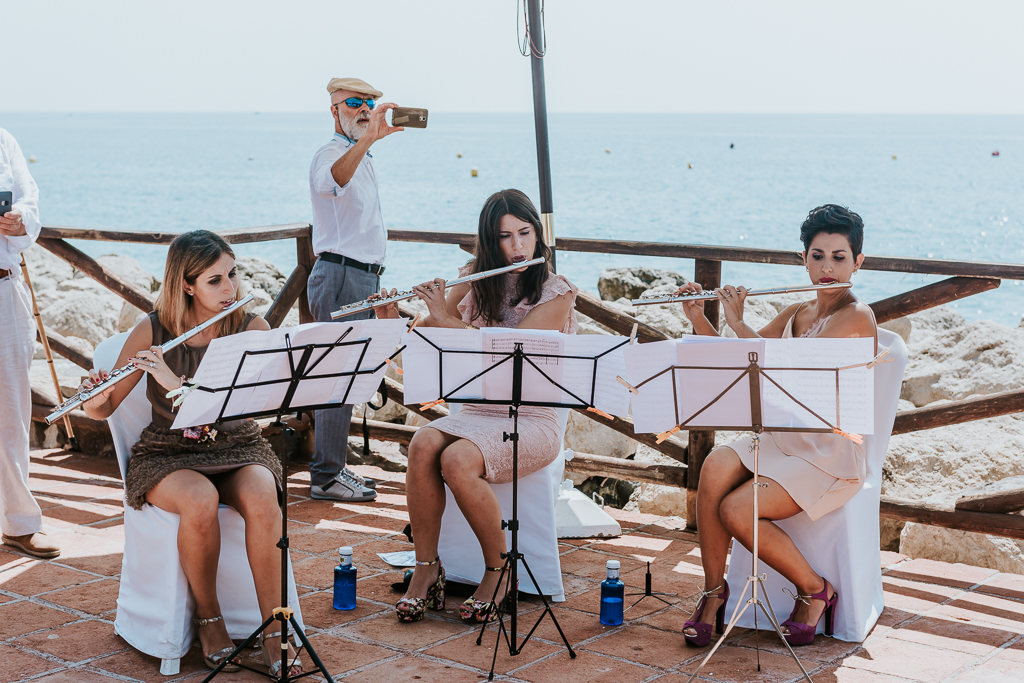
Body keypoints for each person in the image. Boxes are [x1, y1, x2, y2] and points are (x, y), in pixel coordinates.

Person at [80, 231, 300, 676]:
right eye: (215, 280)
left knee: (263, 496)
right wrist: (90, 393)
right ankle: (209, 621)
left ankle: (275, 632)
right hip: (168, 454)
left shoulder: (251, 328)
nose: (230, 289)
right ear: (187, 284)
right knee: (199, 500)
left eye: (232, 275)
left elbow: (268, 401)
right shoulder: (153, 329)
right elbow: (105, 406)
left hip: (238, 445)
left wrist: (176, 384)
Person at [374, 189, 578, 623]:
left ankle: (498, 568)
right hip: (478, 412)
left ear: (539, 235)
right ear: (490, 241)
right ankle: (427, 568)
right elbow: (426, 341)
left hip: (533, 416)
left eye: (525, 233)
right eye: (505, 237)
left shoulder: (556, 292)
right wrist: (391, 318)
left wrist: (445, 321)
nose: (518, 247)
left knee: (458, 459)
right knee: (423, 445)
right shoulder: (473, 276)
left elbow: (509, 353)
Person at [677, 204, 876, 648]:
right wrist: (697, 317)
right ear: (803, 258)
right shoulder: (794, 313)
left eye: (839, 257)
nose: (827, 268)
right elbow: (739, 362)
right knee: (712, 467)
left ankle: (815, 589)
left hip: (827, 451)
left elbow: (787, 367)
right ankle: (713, 594)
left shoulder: (857, 316)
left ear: (858, 262)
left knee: (736, 509)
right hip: (781, 439)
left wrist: (738, 321)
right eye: (818, 255)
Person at [306, 77, 404, 502]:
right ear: (335, 110)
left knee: (348, 377)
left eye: (369, 104)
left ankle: (334, 469)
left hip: (362, 277)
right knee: (335, 377)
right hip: (341, 275)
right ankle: (326, 475)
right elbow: (332, 179)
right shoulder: (331, 153)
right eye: (355, 103)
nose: (365, 110)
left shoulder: (364, 158)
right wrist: (365, 143)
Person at [0, 128, 60, 560]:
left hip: (4, 290)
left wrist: (21, 219)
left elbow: (29, 198)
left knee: (12, 413)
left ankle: (19, 524)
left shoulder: (3, 140)